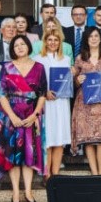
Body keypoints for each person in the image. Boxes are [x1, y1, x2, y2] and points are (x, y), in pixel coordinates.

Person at [0, 35, 47, 202]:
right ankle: (16, 192)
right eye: (16, 45)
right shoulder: (7, 67)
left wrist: (35, 115)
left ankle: (28, 192)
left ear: (28, 46)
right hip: (11, 116)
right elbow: (1, 94)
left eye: (23, 44)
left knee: (29, 155)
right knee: (13, 155)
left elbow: (42, 94)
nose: (20, 47)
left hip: (31, 114)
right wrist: (12, 116)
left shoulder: (39, 67)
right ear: (12, 49)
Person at [72, 28, 101, 174]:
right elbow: (74, 83)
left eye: (96, 36)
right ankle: (94, 173)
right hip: (84, 103)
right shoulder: (80, 58)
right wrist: (78, 80)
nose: (93, 38)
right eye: (90, 36)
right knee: (89, 139)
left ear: (100, 38)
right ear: (86, 39)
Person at [33, 29, 73, 178]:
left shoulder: (66, 59)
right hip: (46, 103)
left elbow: (67, 82)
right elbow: (34, 82)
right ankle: (47, 174)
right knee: (48, 138)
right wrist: (45, 92)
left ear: (60, 42)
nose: (53, 43)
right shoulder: (37, 59)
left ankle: (55, 174)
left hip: (62, 102)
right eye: (50, 40)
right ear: (45, 42)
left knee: (60, 137)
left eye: (56, 40)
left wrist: (72, 74)